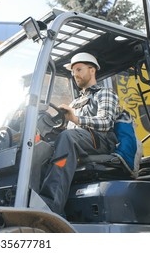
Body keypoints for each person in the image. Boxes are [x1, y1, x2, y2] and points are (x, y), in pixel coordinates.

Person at [39, 52, 120, 215]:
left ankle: (50, 205)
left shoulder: (104, 93)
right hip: (77, 141)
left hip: (100, 141)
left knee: (68, 137)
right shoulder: (75, 102)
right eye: (73, 71)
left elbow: (105, 122)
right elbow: (67, 128)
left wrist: (75, 119)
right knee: (42, 148)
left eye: (79, 69)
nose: (75, 74)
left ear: (92, 70)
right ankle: (31, 197)